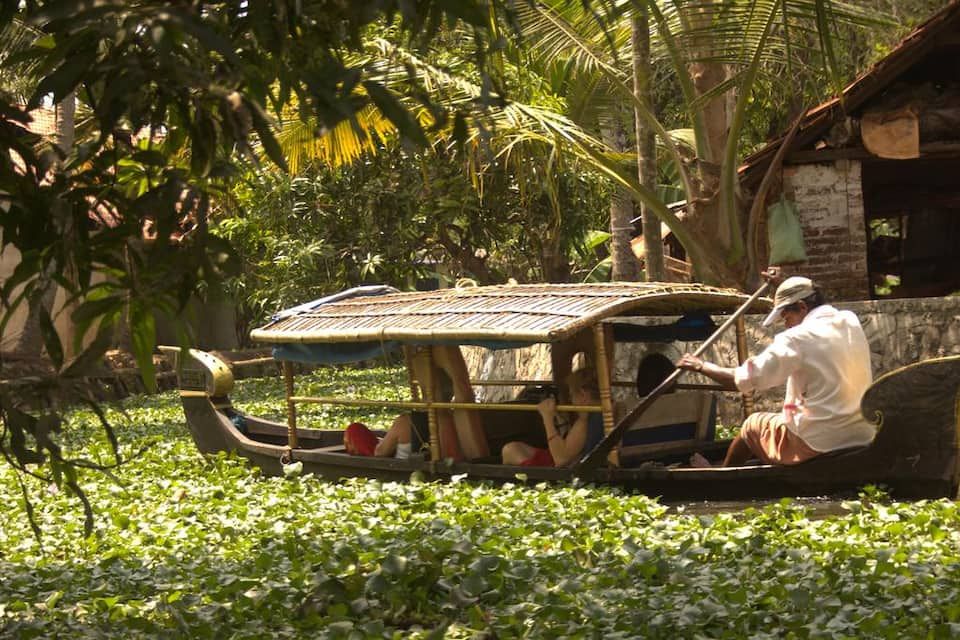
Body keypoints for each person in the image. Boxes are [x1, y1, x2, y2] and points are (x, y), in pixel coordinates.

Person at [677, 276, 876, 467]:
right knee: (781, 419)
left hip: (819, 441)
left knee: (753, 424)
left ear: (802, 307)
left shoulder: (795, 338)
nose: (787, 324)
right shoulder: (850, 321)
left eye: (787, 317)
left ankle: (722, 479)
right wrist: (783, 286)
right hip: (862, 434)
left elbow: (740, 381)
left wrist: (700, 366)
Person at [500, 367, 605, 467]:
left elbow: (561, 460)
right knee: (512, 448)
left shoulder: (586, 420)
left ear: (583, 395)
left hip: (565, 471)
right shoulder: (604, 412)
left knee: (510, 452)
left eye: (572, 395)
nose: (571, 401)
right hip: (571, 460)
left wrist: (547, 418)